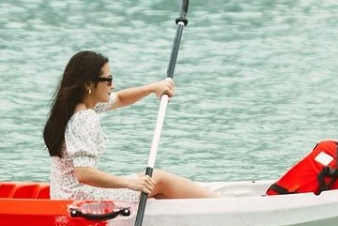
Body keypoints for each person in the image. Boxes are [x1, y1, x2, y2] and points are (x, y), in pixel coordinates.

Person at [43, 49, 217, 203]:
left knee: (156, 189)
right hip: (80, 200)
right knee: (159, 179)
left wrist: (153, 88)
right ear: (89, 84)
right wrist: (131, 183)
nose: (113, 85)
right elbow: (84, 173)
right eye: (108, 80)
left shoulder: (74, 107)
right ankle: (221, 204)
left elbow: (120, 98)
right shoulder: (84, 119)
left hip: (63, 195)